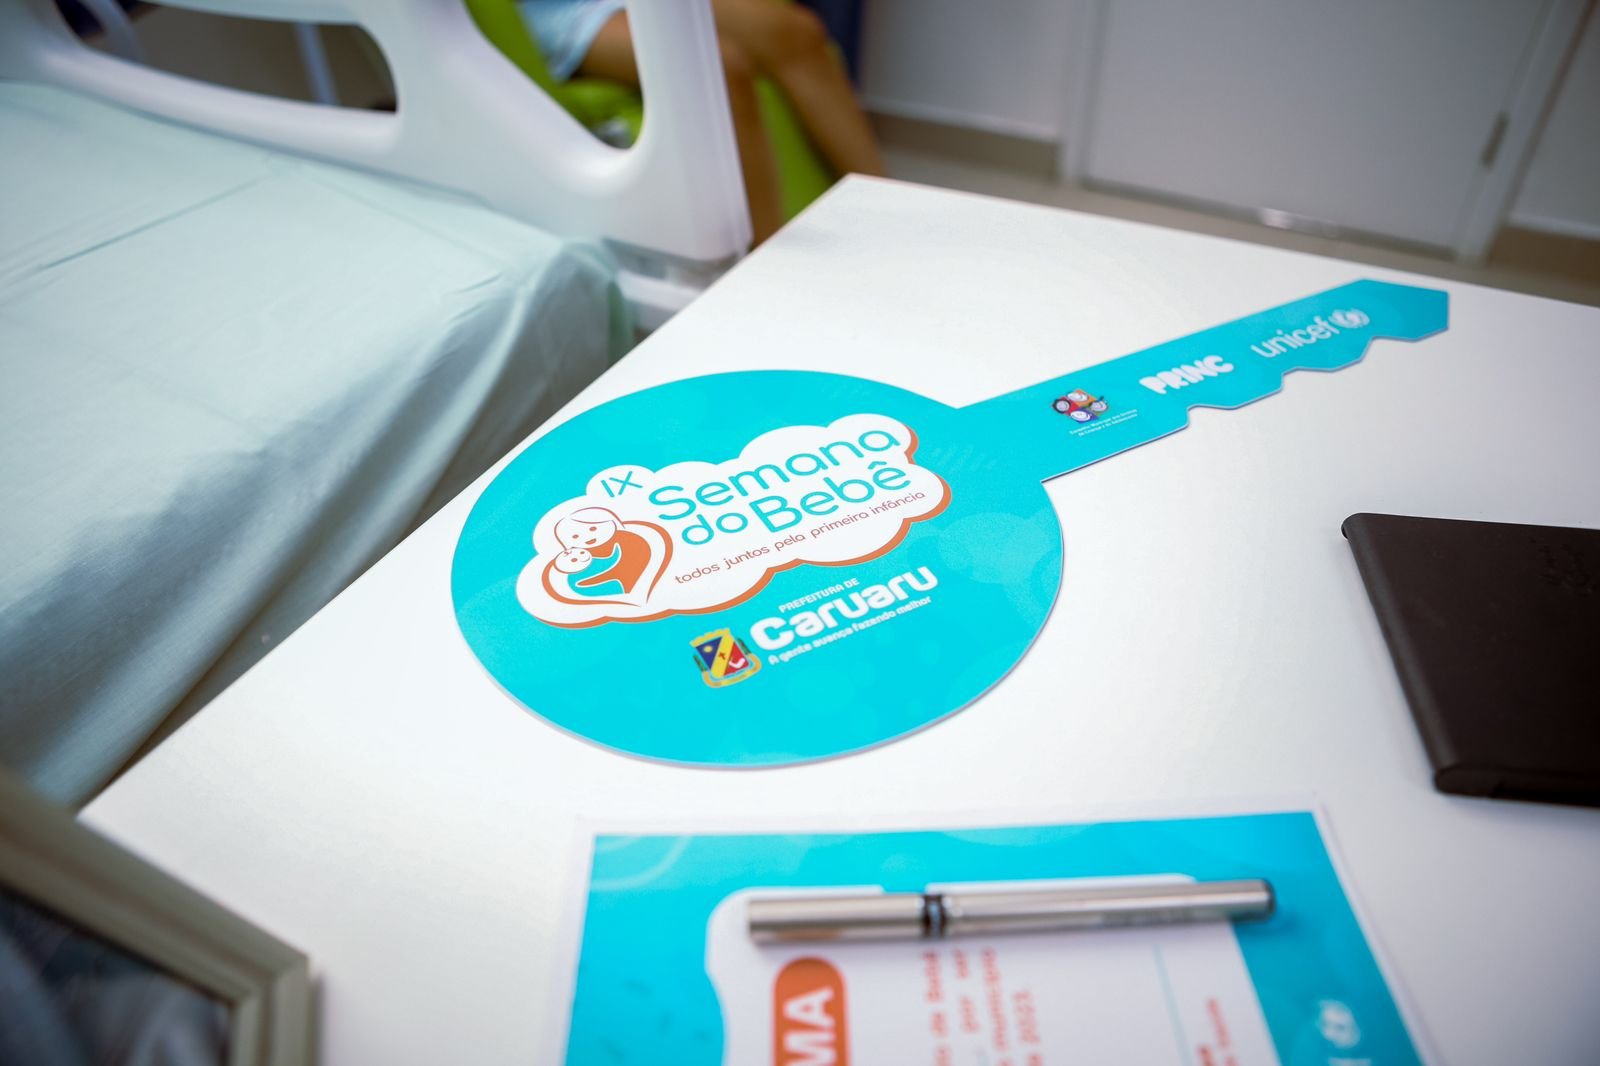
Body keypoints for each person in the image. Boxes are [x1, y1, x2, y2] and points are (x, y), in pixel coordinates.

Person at [518, 0, 886, 243]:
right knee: (716, 66)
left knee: (797, 32)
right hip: (555, 14)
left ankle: (886, 212)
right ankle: (768, 260)